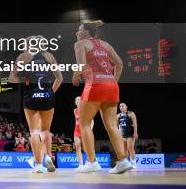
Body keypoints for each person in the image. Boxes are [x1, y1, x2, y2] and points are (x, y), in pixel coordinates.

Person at [73, 20, 133, 174]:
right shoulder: (106, 44)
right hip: (111, 86)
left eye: (79, 30)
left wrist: (75, 76)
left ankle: (92, 162)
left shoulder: (81, 44)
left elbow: (81, 66)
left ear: (86, 33)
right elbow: (119, 64)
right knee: (112, 125)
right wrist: (112, 81)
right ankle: (122, 161)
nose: (76, 33)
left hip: (94, 85)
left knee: (84, 124)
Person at [8, 35, 62, 173]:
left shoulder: (23, 57)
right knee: (45, 130)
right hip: (47, 95)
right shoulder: (49, 56)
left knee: (34, 131)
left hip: (31, 94)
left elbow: (11, 79)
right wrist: (51, 92)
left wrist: (26, 80)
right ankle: (48, 156)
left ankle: (38, 165)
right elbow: (59, 78)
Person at [118, 103, 138, 168]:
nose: (121, 107)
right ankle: (126, 163)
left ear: (126, 107)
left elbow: (135, 124)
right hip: (122, 134)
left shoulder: (131, 114)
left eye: (122, 106)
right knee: (124, 149)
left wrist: (135, 133)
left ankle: (133, 163)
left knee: (130, 147)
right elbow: (117, 126)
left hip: (130, 134)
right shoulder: (118, 116)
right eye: (120, 106)